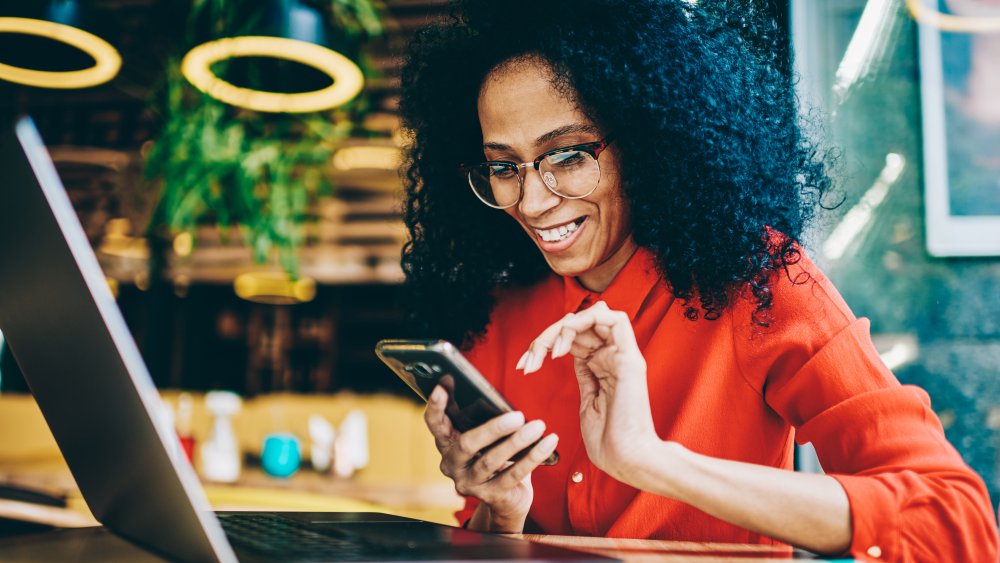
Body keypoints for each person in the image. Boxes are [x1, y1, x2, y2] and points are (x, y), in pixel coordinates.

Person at [397, 1, 999, 560]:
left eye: (569, 155)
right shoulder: (501, 314)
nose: (530, 200)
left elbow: (955, 522)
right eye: (505, 167)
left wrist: (655, 463)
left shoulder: (755, 282)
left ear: (646, 139)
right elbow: (484, 537)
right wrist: (499, 516)